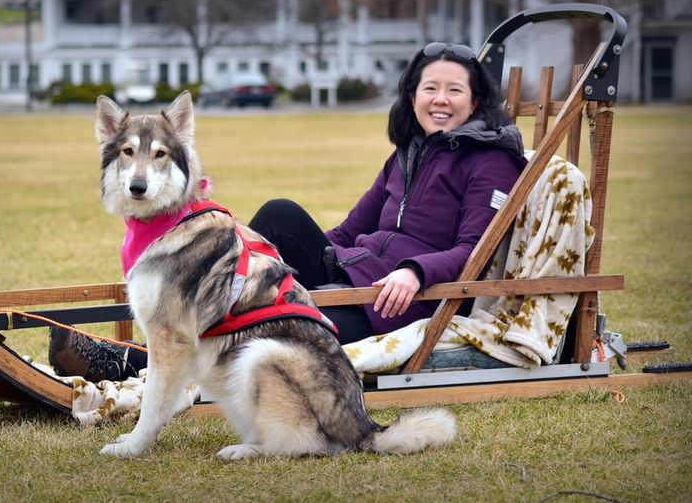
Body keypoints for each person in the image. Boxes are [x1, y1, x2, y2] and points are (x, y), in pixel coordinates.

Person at [49, 42, 527, 381]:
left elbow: (473, 251)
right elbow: (350, 229)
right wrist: (301, 268)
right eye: (429, 89)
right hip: (355, 279)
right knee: (277, 219)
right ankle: (174, 327)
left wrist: (414, 272)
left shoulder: (491, 161)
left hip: (395, 302)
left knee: (260, 326)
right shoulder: (409, 151)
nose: (439, 100)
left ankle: (129, 364)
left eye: (454, 91)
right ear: (413, 95)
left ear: (475, 101)